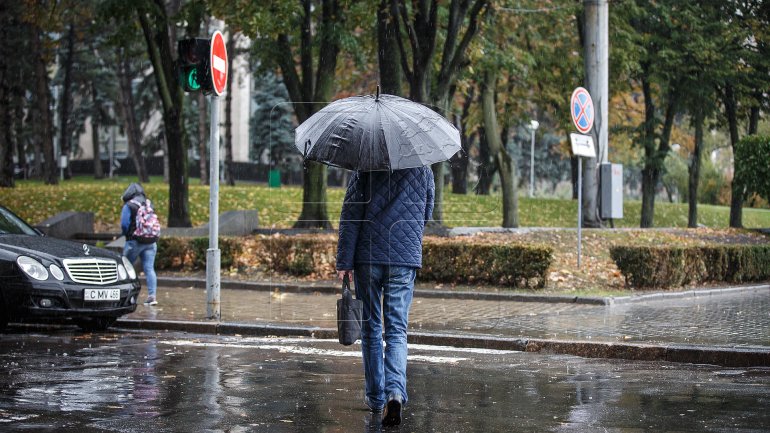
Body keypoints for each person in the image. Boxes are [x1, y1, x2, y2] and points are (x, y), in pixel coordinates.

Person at [336, 167, 435, 427]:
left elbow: (351, 213)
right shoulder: (423, 166)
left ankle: (376, 397)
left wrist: (344, 261)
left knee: (371, 329)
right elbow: (427, 212)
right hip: (403, 259)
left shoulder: (366, 163)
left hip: (368, 257)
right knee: (396, 331)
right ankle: (395, 392)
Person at [120, 182, 159, 306]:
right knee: (149, 269)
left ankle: (123, 294)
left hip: (134, 241)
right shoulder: (148, 204)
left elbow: (124, 224)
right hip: (151, 241)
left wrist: (127, 235)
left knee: (124, 267)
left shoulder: (129, 205)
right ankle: (152, 296)